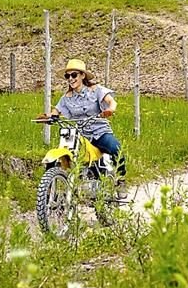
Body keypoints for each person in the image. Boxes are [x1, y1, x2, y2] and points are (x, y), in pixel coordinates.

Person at [43, 58, 127, 198]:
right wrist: (51, 116)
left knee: (116, 148)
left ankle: (121, 180)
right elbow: (57, 110)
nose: (70, 78)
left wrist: (110, 110)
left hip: (99, 132)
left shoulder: (96, 90)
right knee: (63, 156)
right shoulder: (66, 98)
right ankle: (51, 193)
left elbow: (111, 101)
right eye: (67, 76)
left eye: (74, 75)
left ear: (82, 75)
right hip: (80, 135)